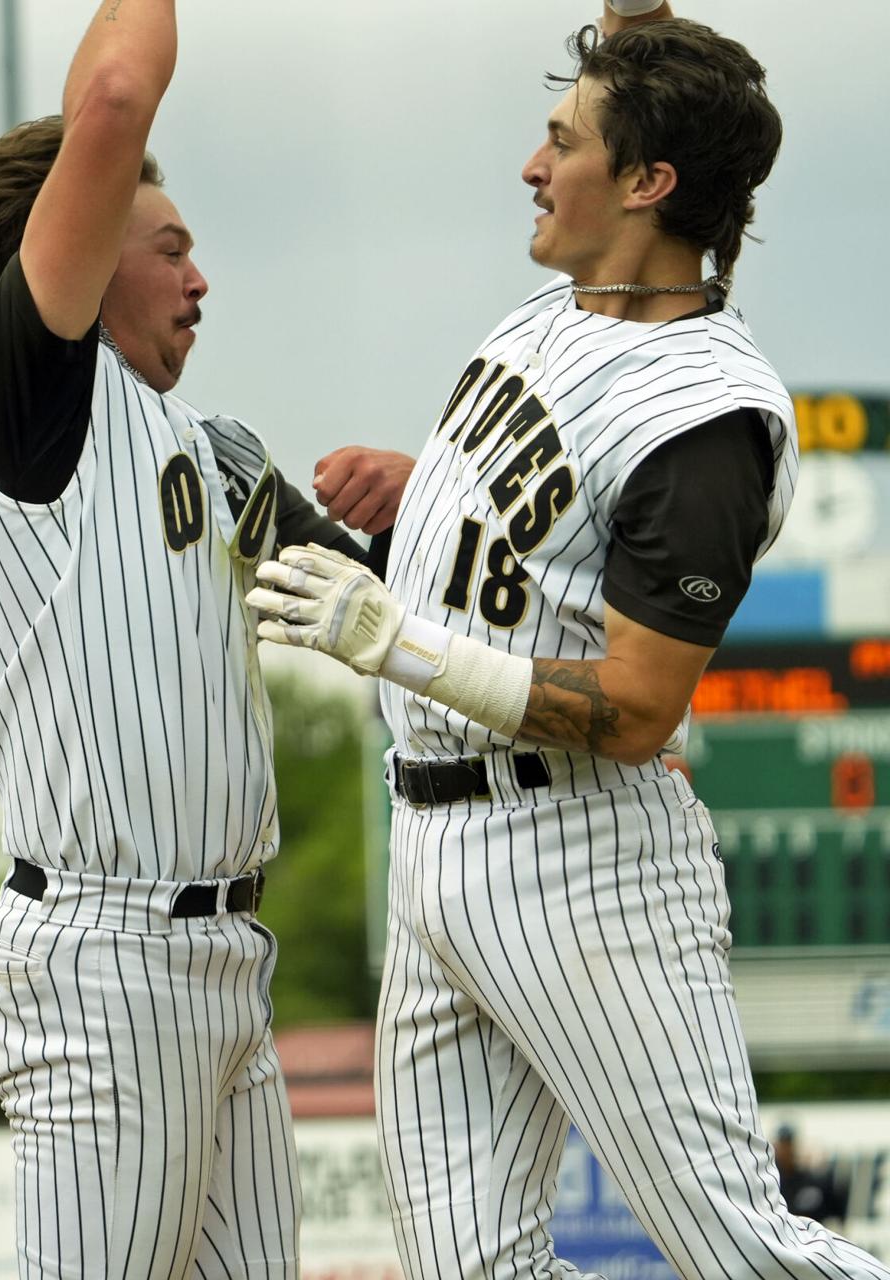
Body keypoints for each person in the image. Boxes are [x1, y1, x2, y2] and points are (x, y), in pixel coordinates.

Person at [248, 2, 890, 1277]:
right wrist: (433, 483)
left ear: (647, 182)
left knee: (738, 1250)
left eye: (563, 141)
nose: (533, 165)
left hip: (577, 859)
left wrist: (393, 640)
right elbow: (562, 512)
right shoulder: (581, 298)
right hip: (432, 842)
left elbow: (641, 705)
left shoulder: (706, 420)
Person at [0, 2, 408, 1275]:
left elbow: (402, 606)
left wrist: (424, 501)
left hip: (225, 958)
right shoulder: (23, 404)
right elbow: (115, 98)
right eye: (167, 244)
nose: (199, 276)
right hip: (101, 956)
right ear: (69, 253)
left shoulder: (210, 443)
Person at [775, 1125, 849, 1227]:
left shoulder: (811, 1180)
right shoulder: (773, 1182)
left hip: (811, 1237)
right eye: (783, 1145)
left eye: (789, 1145)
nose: (786, 1150)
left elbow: (835, 1206)